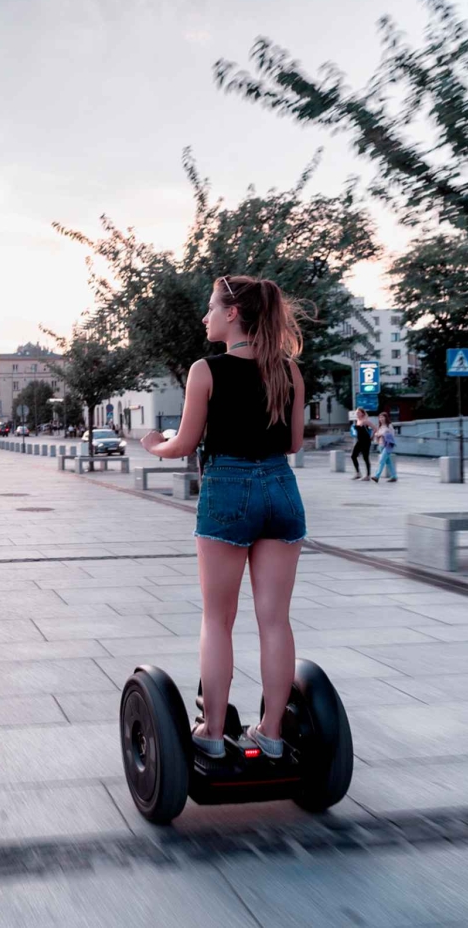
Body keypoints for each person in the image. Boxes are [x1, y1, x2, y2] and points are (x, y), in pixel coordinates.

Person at [141, 274, 306, 761]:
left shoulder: (205, 370)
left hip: (228, 488)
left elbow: (185, 444)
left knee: (218, 619)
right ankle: (271, 733)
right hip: (281, 488)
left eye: (211, 307)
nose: (205, 316)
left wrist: (155, 445)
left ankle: (212, 732)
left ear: (232, 314)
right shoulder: (289, 371)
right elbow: (294, 443)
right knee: (275, 621)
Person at [371, 411, 398, 483]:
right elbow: (376, 435)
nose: (381, 419)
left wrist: (383, 434)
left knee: (381, 461)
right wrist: (377, 435)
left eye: (382, 417)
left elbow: (392, 435)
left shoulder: (389, 425)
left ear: (386, 418)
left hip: (387, 446)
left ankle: (377, 476)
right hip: (381, 445)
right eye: (380, 417)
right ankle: (394, 476)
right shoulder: (379, 426)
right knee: (388, 462)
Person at [349, 408, 373, 480]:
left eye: (358, 412)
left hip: (366, 441)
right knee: (353, 456)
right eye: (356, 412)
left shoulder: (365, 421)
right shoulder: (357, 421)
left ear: (362, 413)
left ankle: (368, 475)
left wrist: (372, 437)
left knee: (365, 458)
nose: (357, 413)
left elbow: (375, 428)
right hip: (359, 441)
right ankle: (358, 473)